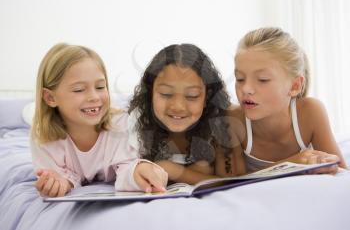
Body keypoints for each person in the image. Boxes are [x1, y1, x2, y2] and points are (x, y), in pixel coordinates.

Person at [31, 43, 168, 197]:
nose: (94, 97)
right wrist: (59, 183)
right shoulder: (44, 137)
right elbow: (59, 177)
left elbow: (126, 169)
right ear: (50, 97)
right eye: (79, 90)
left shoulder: (120, 125)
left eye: (100, 87)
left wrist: (139, 171)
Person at [230, 27, 347, 173]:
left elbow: (341, 173)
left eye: (262, 80)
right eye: (240, 79)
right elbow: (233, 183)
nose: (246, 88)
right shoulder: (234, 119)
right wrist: (291, 164)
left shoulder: (311, 112)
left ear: (295, 86)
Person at [128, 43, 246, 184]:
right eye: (166, 94)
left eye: (192, 96)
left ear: (206, 98)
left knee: (203, 167)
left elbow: (229, 181)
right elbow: (124, 170)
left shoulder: (220, 124)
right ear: (150, 92)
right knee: (203, 168)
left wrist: (173, 170)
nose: (178, 106)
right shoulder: (139, 122)